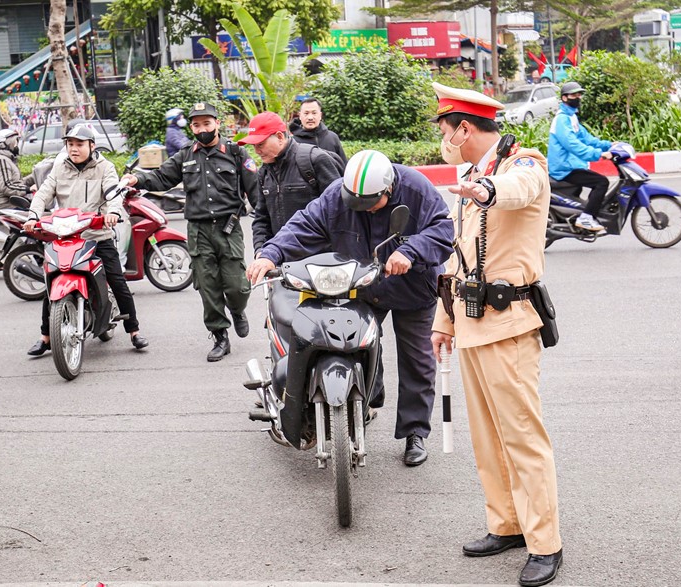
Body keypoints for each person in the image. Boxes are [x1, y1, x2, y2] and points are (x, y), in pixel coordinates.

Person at [428, 83, 562, 587]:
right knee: (487, 438)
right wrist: (443, 322)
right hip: (471, 322)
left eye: (446, 129)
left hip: (509, 324)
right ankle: (506, 524)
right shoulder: (474, 175)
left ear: (464, 127)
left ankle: (545, 542)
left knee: (522, 438)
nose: (443, 138)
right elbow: (460, 255)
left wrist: (486, 191)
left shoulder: (521, 165)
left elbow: (520, 192)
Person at [247, 150, 454, 467]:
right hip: (363, 282)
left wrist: (411, 251)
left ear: (389, 189)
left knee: (417, 361)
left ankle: (415, 433)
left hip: (413, 285)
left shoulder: (416, 188)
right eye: (357, 203)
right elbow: (305, 224)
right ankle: (365, 397)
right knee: (356, 340)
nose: (365, 209)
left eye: (372, 203)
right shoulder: (337, 195)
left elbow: (443, 231)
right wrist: (270, 253)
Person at [121, 102, 259, 362]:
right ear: (192, 128)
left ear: (217, 123)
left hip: (228, 229)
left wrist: (266, 226)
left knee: (237, 285)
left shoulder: (236, 153)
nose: (202, 129)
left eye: (207, 123)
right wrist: (136, 179)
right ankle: (220, 336)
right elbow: (162, 177)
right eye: (196, 125)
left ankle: (238, 311)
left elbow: (255, 191)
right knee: (207, 286)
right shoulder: (186, 154)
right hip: (198, 230)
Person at [23, 125, 148, 355]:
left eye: (79, 144)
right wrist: (33, 216)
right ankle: (46, 336)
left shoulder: (104, 167)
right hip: (66, 237)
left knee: (117, 280)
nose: (74, 149)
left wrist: (113, 213)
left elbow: (113, 194)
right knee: (51, 280)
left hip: (97, 235)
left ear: (91, 145)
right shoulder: (59, 167)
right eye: (70, 144)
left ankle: (134, 331)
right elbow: (43, 193)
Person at [236, 111, 342, 253]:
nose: (257, 151)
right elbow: (261, 219)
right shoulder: (264, 173)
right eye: (254, 146)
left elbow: (339, 211)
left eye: (260, 144)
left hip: (320, 258)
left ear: (280, 137)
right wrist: (261, 251)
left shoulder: (315, 160)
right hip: (280, 258)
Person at [547, 81, 612, 233]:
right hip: (564, 168)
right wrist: (598, 154)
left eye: (579, 94)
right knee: (601, 182)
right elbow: (573, 145)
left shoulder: (571, 117)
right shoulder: (562, 120)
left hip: (572, 165)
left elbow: (586, 139)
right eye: (574, 95)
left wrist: (609, 145)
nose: (578, 97)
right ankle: (587, 218)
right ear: (564, 98)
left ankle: (582, 217)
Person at [288, 98, 347, 169]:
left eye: (314, 113)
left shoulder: (332, 138)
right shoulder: (293, 142)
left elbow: (343, 166)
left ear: (320, 115)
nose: (310, 117)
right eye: (306, 113)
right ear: (300, 116)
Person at [0, 129, 36, 214]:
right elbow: (7, 186)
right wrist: (29, 189)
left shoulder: (7, 159)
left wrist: (35, 176)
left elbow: (16, 183)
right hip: (6, 207)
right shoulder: (1, 160)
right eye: (14, 142)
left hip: (12, 204)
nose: (16, 145)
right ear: (3, 145)